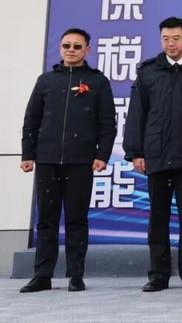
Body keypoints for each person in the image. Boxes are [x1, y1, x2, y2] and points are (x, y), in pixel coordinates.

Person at [20, 28, 116, 293]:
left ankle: (76, 274)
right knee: (46, 220)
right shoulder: (46, 81)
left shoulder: (97, 82)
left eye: (77, 46)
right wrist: (28, 154)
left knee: (77, 219)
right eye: (66, 45)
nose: (71, 50)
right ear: (60, 48)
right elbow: (31, 120)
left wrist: (102, 155)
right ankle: (42, 275)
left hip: (81, 161)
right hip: (47, 160)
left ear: (88, 49)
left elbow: (107, 123)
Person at [123, 17, 182, 292]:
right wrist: (135, 152)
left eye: (176, 38)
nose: (171, 44)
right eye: (165, 39)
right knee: (158, 217)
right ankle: (158, 274)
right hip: (157, 155)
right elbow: (137, 114)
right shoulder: (149, 71)